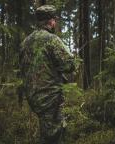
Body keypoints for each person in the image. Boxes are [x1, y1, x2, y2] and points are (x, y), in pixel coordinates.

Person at [20, 5, 76, 144]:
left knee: (47, 132)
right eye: (54, 20)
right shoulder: (52, 40)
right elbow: (70, 65)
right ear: (50, 21)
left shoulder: (25, 42)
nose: (55, 23)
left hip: (33, 97)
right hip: (49, 98)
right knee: (54, 136)